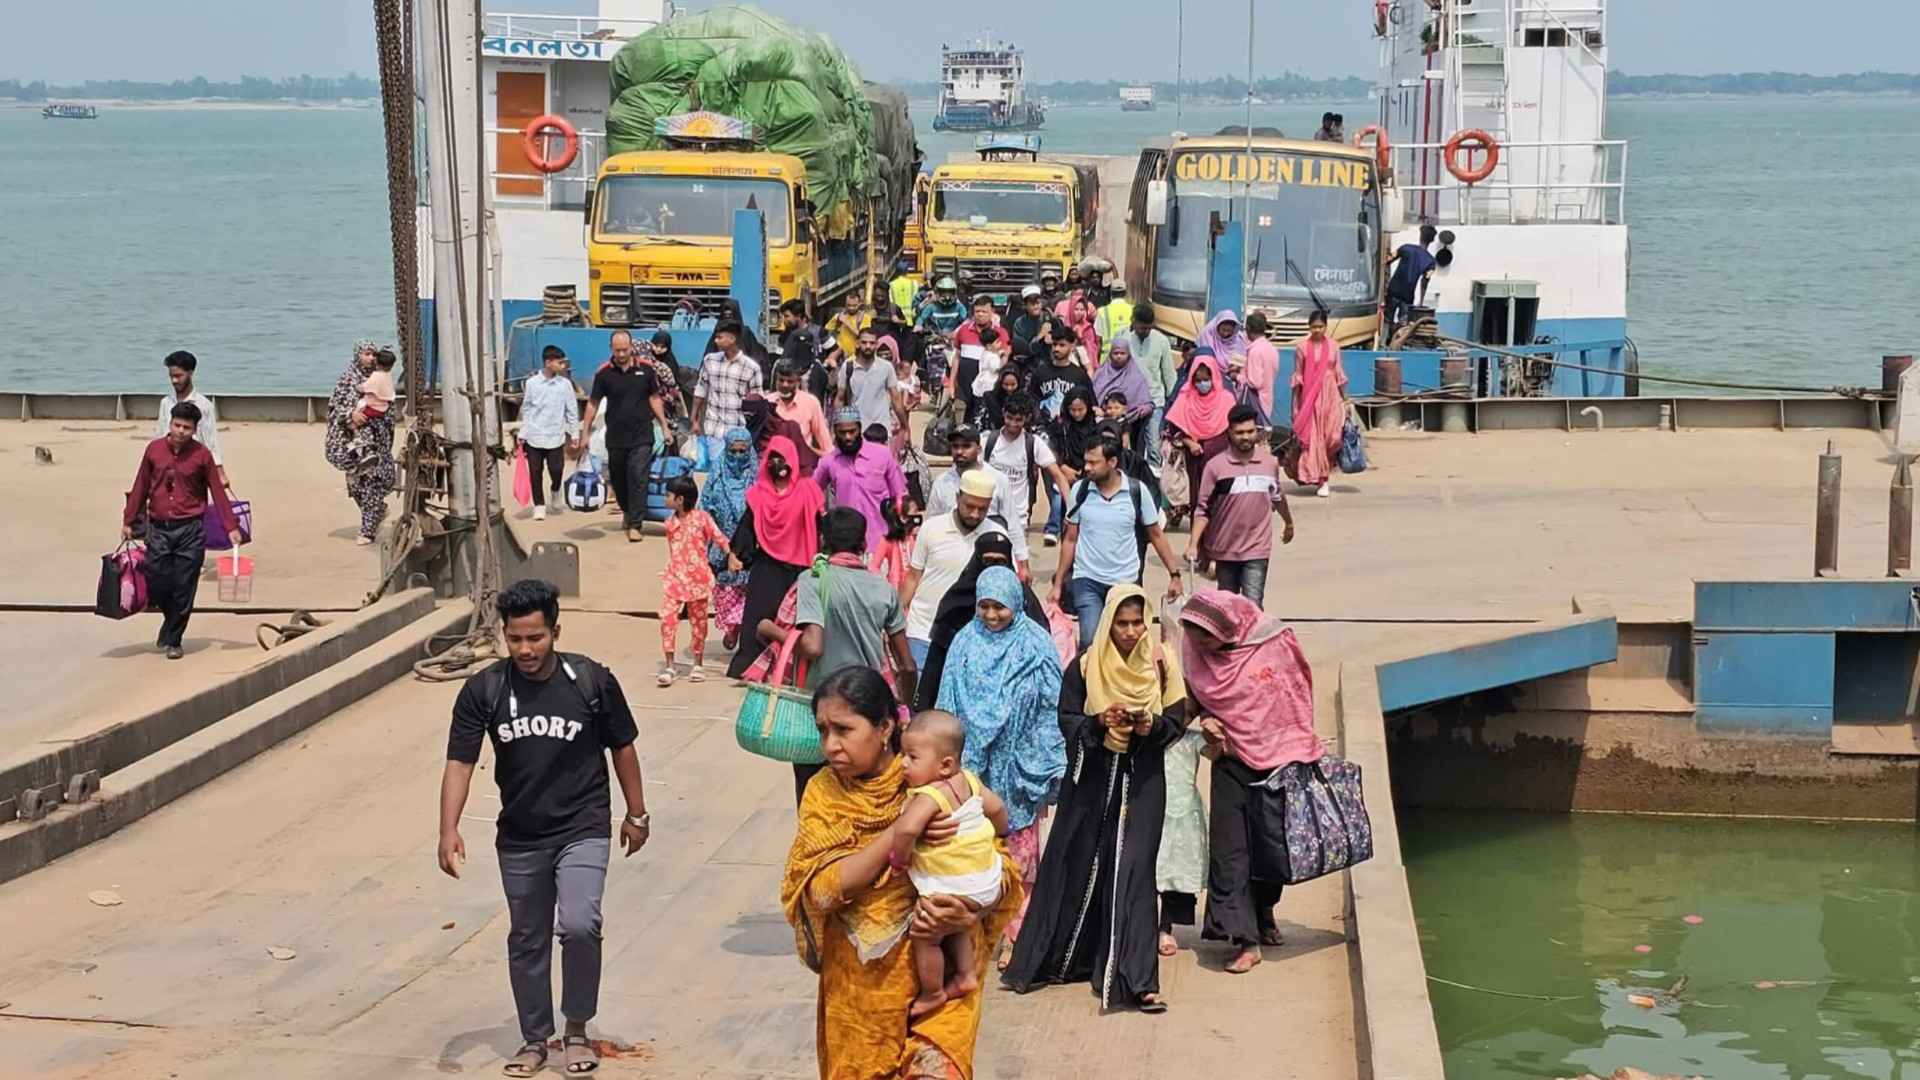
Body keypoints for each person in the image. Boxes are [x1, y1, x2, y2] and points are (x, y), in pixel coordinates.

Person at [438, 579, 651, 1078]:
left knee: (580, 924)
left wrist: (636, 812)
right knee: (527, 938)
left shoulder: (591, 681)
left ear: (555, 630)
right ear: (503, 636)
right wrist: (447, 829)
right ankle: (535, 1039)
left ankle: (576, 1028)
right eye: (515, 639)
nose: (526, 650)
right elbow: (460, 763)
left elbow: (623, 746)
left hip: (583, 825)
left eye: (535, 638)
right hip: (520, 835)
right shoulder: (485, 690)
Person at [781, 667, 1022, 1079]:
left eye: (843, 729)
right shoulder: (823, 792)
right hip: (862, 992)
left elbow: (999, 865)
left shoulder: (935, 779)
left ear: (885, 727)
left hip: (945, 982)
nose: (830, 745)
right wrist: (899, 832)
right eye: (822, 731)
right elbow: (821, 889)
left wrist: (967, 912)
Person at [1002, 587, 1186, 1011]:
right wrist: (1099, 722)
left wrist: (1149, 727)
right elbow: (1067, 718)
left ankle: (1139, 981)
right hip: (1091, 782)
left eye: (1137, 622)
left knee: (1134, 871)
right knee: (1079, 862)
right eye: (1121, 623)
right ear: (1107, 623)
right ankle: (1068, 957)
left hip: (1143, 782)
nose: (1130, 631)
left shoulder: (1162, 662)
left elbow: (1177, 719)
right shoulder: (1085, 666)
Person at [1178, 590, 1323, 974]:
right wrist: (1203, 717)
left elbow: (1295, 693)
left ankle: (1265, 912)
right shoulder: (1193, 648)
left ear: (1228, 630)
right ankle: (1245, 940)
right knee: (1229, 851)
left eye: (1206, 638)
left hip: (1276, 759)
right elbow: (1194, 695)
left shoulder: (1272, 643)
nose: (1198, 645)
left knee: (1268, 846)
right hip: (1230, 758)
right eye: (1192, 635)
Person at [935, 566, 1066, 959]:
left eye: (1000, 607)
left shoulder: (1036, 644)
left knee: (1019, 855)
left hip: (1017, 765)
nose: (991, 615)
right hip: (974, 767)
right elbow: (947, 701)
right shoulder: (963, 642)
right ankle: (974, 932)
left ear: (1015, 602)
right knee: (974, 848)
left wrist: (1042, 759)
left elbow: (1051, 705)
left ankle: (1017, 934)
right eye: (985, 606)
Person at [778, 507, 918, 801]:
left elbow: (813, 646)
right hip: (867, 711)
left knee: (814, 803)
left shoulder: (812, 580)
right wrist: (903, 709)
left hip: (823, 709)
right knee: (865, 803)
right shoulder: (883, 588)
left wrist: (771, 631)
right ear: (863, 545)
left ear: (822, 540)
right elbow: (906, 665)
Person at [890, 711, 1010, 1019]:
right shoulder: (969, 780)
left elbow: (905, 829)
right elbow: (997, 808)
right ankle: (966, 975)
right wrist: (998, 833)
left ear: (945, 765)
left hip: (955, 884)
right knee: (954, 926)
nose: (903, 764)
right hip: (986, 878)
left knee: (926, 934)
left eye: (912, 757)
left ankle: (933, 992)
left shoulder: (930, 794)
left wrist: (900, 859)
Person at [122, 402, 242, 659]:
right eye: (177, 425)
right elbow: (140, 485)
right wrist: (129, 520)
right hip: (159, 528)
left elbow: (217, 493)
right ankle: (170, 621)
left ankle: (174, 639)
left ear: (195, 429)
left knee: (185, 586)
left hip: (191, 529)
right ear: (170, 423)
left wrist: (230, 526)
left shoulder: (202, 456)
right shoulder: (153, 450)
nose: (181, 431)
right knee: (157, 580)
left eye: (187, 428)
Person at [1050, 435, 1184, 647]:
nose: (1087, 468)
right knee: (1089, 642)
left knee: (1126, 643)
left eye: (1093, 462)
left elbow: (1156, 535)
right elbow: (1070, 539)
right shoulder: (1080, 491)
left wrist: (1175, 575)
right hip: (1087, 579)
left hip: (1125, 581)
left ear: (1112, 462)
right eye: (1086, 461)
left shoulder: (1137, 491)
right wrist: (1058, 584)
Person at [724, 435, 825, 679]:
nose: (779, 464)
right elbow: (747, 527)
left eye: (783, 459)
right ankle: (750, 668)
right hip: (768, 564)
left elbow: (820, 524)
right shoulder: (758, 494)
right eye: (773, 459)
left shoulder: (808, 490)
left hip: (801, 565)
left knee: (799, 621)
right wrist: (736, 554)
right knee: (759, 617)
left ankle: (795, 669)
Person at [915, 531, 1046, 713]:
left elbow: (1043, 661)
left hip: (1016, 707)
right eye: (987, 562)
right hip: (967, 707)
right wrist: (923, 708)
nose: (991, 616)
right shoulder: (956, 602)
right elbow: (937, 663)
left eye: (999, 562)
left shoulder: (1023, 600)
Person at [901, 470, 1007, 669]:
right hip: (923, 632)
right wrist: (897, 618)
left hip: (972, 638)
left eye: (982, 509)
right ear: (958, 498)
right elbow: (913, 577)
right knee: (920, 698)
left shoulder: (996, 536)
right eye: (970, 506)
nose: (975, 514)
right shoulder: (932, 529)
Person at [1191, 405, 1295, 605]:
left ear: (1257, 432)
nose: (1245, 437)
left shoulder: (1269, 464)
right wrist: (1192, 544)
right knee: (1228, 608)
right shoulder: (1215, 467)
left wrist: (1288, 523)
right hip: (1224, 550)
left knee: (1252, 606)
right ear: (1229, 433)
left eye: (1250, 431)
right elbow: (1203, 509)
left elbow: (1277, 497)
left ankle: (1252, 637)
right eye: (1239, 433)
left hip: (1257, 548)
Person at [581, 330, 669, 544]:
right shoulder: (604, 373)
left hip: (642, 435)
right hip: (616, 437)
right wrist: (584, 432)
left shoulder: (646, 370)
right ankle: (628, 511)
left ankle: (636, 524)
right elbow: (593, 403)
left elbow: (654, 398)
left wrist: (664, 426)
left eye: (624, 349)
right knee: (619, 480)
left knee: (638, 476)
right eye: (617, 350)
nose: (621, 354)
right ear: (612, 349)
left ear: (631, 347)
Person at [657, 474, 732, 687]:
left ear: (680, 499)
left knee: (698, 622)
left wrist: (731, 556)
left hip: (698, 579)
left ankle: (697, 663)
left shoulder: (702, 518)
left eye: (668, 495)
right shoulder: (670, 522)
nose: (665, 499)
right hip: (674, 578)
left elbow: (719, 538)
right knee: (667, 619)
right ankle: (669, 665)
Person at [985, 393, 1071, 556]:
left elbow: (1058, 476)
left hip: (1017, 520)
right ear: (1003, 413)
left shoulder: (1033, 443)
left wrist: (1071, 510)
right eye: (1009, 418)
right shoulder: (989, 440)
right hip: (988, 516)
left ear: (1027, 418)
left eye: (1018, 420)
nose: (1013, 424)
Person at [815, 406, 908, 554]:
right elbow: (812, 491)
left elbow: (900, 495)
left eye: (852, 431)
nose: (848, 437)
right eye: (842, 432)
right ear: (835, 432)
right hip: (846, 547)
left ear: (860, 429)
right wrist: (823, 515)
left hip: (880, 544)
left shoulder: (883, 455)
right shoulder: (829, 461)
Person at [700, 426, 757, 651]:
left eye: (742, 452)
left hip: (750, 547)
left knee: (748, 593)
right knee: (726, 594)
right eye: (732, 451)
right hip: (722, 546)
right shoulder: (716, 474)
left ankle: (740, 628)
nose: (737, 456)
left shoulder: (757, 475)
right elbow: (704, 508)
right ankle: (731, 627)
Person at [1164, 351, 1236, 524]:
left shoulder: (1226, 399)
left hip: (1220, 459)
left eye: (1206, 379)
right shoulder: (1185, 397)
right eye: (1198, 380)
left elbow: (1235, 427)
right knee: (1198, 494)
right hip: (1195, 459)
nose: (1202, 384)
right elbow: (1174, 428)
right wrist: (1189, 442)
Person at [1291, 309, 1351, 497]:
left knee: (1331, 437)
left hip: (1331, 396)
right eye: (1314, 326)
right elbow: (1298, 376)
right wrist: (1295, 404)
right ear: (1309, 327)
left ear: (1326, 326)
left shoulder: (1334, 346)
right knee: (1314, 439)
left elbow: (1338, 373)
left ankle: (1323, 472)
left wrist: (1345, 399)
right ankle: (1322, 479)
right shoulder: (1302, 348)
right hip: (1310, 398)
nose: (1317, 330)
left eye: (1321, 326)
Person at [692, 321, 767, 469]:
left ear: (732, 339)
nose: (715, 341)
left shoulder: (751, 368)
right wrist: (694, 419)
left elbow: (757, 403)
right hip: (714, 430)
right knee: (717, 471)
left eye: (719, 337)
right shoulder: (710, 361)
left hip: (738, 433)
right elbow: (701, 389)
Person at [519, 345, 580, 522]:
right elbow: (528, 409)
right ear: (548, 362)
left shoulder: (565, 385)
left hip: (555, 436)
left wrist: (574, 434)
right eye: (559, 362)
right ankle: (539, 505)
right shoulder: (532, 384)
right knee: (535, 472)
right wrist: (524, 432)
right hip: (534, 436)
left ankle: (555, 490)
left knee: (556, 469)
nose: (563, 365)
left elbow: (571, 410)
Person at [1115, 306, 1179, 469]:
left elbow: (1169, 374)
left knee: (1153, 448)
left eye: (1149, 328)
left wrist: (1173, 403)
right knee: (1131, 447)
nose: (1146, 331)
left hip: (1155, 402)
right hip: (1129, 403)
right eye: (1142, 328)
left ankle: (1153, 486)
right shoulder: (1124, 339)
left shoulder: (1161, 341)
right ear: (1133, 323)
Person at [157, 350, 226, 488]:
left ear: (191, 373)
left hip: (193, 468)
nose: (174, 381)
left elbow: (210, 440)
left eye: (178, 376)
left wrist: (220, 472)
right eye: (171, 376)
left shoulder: (204, 405)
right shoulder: (166, 403)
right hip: (168, 467)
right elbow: (159, 436)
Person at [1041, 387, 1099, 547]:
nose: (1077, 414)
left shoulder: (1096, 426)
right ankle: (1053, 530)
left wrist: (1086, 470)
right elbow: (1053, 451)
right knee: (1059, 498)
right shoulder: (1061, 426)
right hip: (1065, 473)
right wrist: (1063, 468)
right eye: (1073, 410)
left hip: (1089, 475)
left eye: (1081, 409)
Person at [838, 328, 909, 436]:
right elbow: (840, 399)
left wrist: (905, 427)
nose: (868, 346)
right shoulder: (848, 367)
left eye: (872, 343)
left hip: (881, 431)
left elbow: (896, 400)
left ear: (876, 345)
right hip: (857, 433)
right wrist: (837, 428)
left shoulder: (886, 367)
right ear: (857, 344)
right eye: (864, 342)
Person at [769, 360, 832, 477]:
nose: (785, 385)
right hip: (773, 470)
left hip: (802, 469)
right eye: (781, 380)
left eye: (790, 381)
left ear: (798, 381)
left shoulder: (810, 403)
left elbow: (825, 444)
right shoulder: (767, 402)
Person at [1093, 338, 1154, 452]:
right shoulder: (1101, 374)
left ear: (1129, 355)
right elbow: (1092, 396)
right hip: (1102, 424)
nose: (1119, 356)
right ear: (1110, 354)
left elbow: (1147, 402)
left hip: (1129, 425)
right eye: (1116, 353)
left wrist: (1142, 409)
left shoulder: (1136, 376)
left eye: (1122, 353)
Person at [1385, 224, 1440, 333]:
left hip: (1393, 290)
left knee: (1387, 319)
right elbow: (1424, 282)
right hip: (1408, 296)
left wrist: (1385, 282)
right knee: (1403, 323)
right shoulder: (1430, 261)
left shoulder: (1406, 248)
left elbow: (1387, 260)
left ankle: (1382, 343)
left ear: (1420, 236)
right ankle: (1397, 344)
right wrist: (1421, 301)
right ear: (1432, 240)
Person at [1197, 310, 1250, 375]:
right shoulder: (1207, 335)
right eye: (1223, 330)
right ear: (1217, 326)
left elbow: (1241, 361)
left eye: (1229, 331)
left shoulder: (1238, 339)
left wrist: (1235, 367)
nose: (1226, 334)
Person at [889, 257, 920, 325]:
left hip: (897, 320)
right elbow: (916, 301)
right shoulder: (914, 283)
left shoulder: (891, 285)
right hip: (911, 319)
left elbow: (891, 302)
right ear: (907, 271)